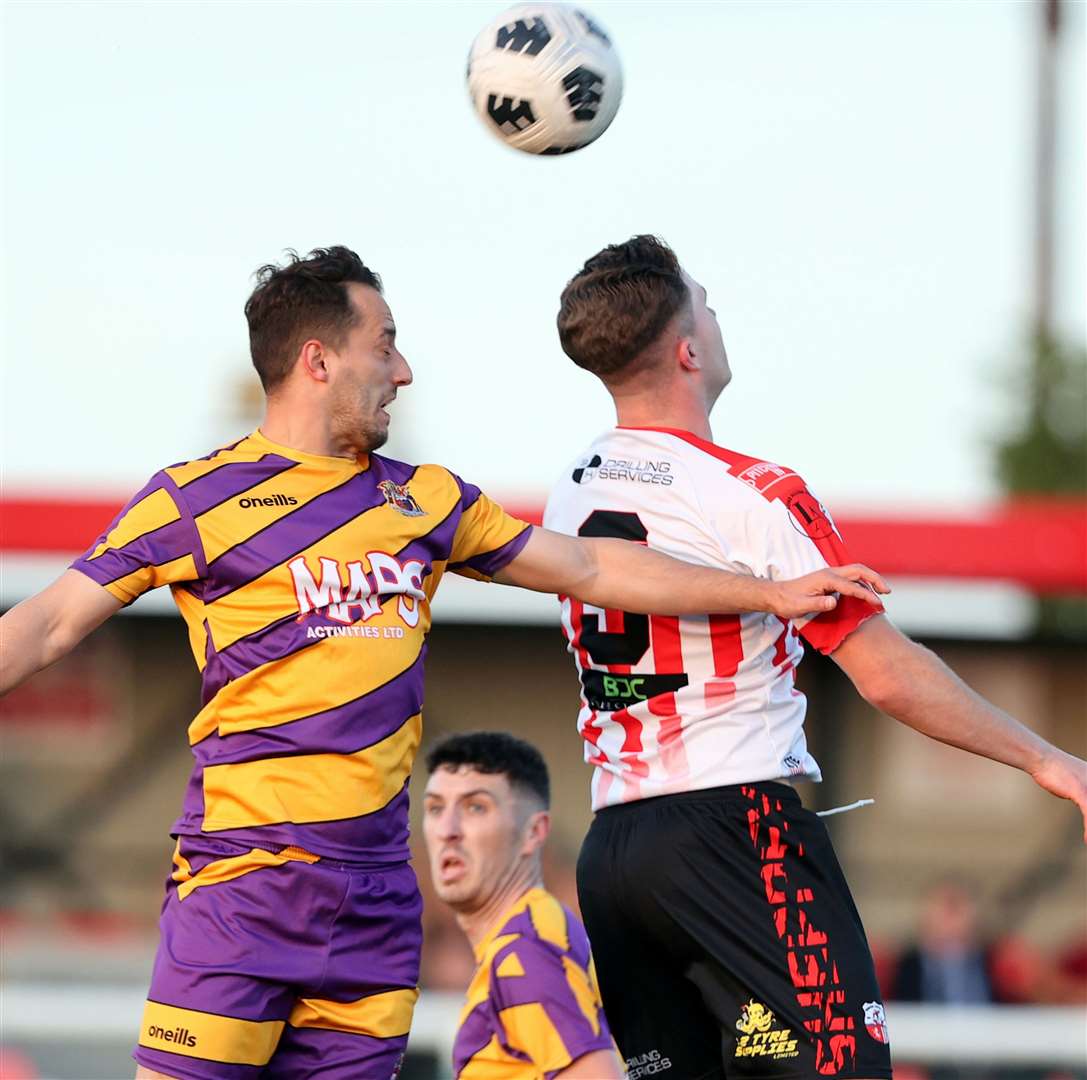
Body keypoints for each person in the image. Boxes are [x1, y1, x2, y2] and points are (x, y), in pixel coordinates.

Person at [0, 246, 887, 1080]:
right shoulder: (193, 499)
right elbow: (43, 627)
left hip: (378, 903)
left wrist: (765, 591)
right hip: (242, 886)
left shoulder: (420, 498)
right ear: (318, 361)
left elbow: (584, 565)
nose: (403, 369)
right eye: (384, 345)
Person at [543, 235, 1087, 1080]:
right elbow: (886, 672)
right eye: (707, 303)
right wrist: (1046, 760)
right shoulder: (753, 491)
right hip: (732, 832)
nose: (719, 316)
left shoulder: (574, 487)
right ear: (688, 350)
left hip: (616, 847)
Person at [422, 731, 624, 1079]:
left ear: (534, 832)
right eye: (435, 808)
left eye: (475, 807)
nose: (447, 829)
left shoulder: (524, 952)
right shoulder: (529, 936)